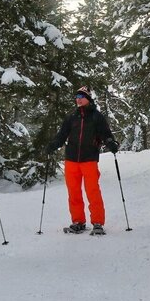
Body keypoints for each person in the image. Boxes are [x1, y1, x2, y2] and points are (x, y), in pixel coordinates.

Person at [46, 86, 118, 235]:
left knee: (92, 191)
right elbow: (62, 135)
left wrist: (111, 142)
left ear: (88, 99)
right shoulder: (71, 117)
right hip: (71, 160)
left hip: (89, 159)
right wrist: (53, 145)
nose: (78, 99)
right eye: (77, 97)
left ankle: (97, 223)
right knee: (73, 192)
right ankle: (78, 222)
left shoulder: (96, 117)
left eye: (81, 97)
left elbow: (105, 134)